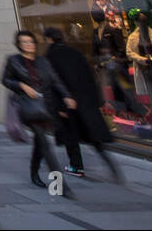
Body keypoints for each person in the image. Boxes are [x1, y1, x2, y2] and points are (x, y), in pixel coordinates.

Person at [1, 29, 76, 193]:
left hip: (46, 106)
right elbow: (5, 79)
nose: (28, 45)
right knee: (45, 143)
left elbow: (56, 81)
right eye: (24, 42)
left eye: (31, 42)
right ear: (19, 45)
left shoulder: (43, 61)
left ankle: (34, 173)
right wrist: (21, 85)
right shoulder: (13, 61)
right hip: (28, 107)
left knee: (40, 142)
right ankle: (60, 185)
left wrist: (66, 96)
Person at [44, 27, 121, 182]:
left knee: (70, 136)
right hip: (85, 101)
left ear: (49, 39)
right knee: (91, 135)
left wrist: (59, 106)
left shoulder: (50, 56)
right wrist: (97, 100)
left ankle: (76, 166)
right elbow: (90, 77)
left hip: (67, 102)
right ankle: (109, 162)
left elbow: (53, 83)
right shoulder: (76, 53)